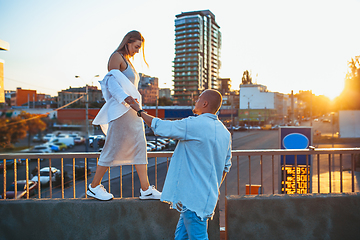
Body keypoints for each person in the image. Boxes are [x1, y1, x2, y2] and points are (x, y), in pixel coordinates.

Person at [125, 89, 232, 239]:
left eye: (198, 99)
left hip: (193, 199)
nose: (196, 101)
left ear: (205, 103)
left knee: (198, 237)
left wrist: (139, 110)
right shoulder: (225, 133)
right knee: (180, 237)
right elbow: (226, 167)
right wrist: (212, 187)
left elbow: (161, 127)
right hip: (203, 198)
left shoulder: (194, 125)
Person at [87, 30, 161, 201]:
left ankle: (146, 189)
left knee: (140, 146)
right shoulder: (116, 56)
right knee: (112, 146)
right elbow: (111, 82)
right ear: (128, 41)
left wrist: (133, 103)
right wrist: (126, 99)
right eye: (136, 46)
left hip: (132, 111)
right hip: (122, 110)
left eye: (139, 48)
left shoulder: (128, 61)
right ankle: (93, 186)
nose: (137, 51)